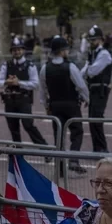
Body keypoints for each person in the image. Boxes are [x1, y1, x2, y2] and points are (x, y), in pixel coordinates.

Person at [40, 36, 89, 174]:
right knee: (77, 132)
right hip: (71, 104)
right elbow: (81, 85)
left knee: (59, 135)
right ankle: (73, 160)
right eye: (66, 49)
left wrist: (46, 106)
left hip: (55, 105)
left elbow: (42, 90)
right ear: (62, 51)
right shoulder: (70, 67)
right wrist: (87, 99)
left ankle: (60, 166)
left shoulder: (45, 68)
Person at [0, 36, 47, 146]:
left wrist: (19, 83)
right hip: (9, 101)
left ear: (23, 50)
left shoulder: (30, 66)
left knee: (28, 125)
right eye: (14, 49)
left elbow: (35, 84)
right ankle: (18, 153)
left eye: (19, 49)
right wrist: (7, 82)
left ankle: (45, 149)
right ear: (11, 51)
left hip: (24, 100)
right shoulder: (7, 65)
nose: (17, 52)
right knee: (13, 128)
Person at [82, 25, 111, 153]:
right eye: (90, 40)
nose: (91, 43)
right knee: (92, 121)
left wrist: (86, 70)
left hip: (100, 90)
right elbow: (85, 71)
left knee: (97, 119)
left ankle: (102, 149)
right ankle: (97, 149)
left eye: (93, 40)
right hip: (92, 89)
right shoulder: (93, 54)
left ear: (100, 39)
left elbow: (93, 71)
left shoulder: (104, 54)